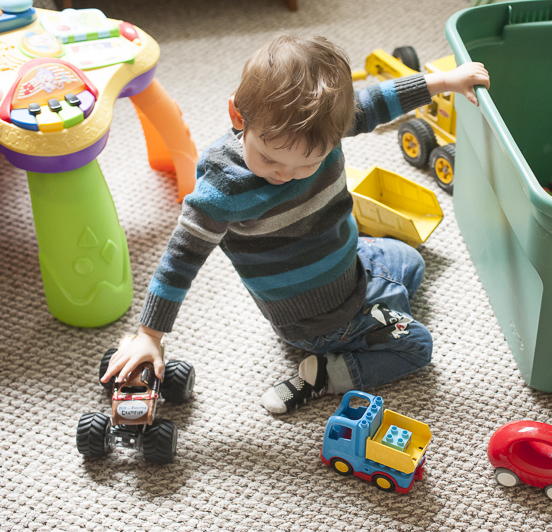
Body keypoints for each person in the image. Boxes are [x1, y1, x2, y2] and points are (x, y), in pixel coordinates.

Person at [101, 34, 490, 414]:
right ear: (239, 116)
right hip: (318, 322)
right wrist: (149, 334)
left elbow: (375, 101)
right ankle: (327, 373)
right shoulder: (221, 192)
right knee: (418, 346)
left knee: (412, 262)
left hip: (352, 264)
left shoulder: (323, 127)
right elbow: (180, 260)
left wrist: (442, 82)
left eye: (308, 164)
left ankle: (380, 308)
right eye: (270, 159)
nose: (286, 174)